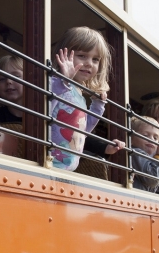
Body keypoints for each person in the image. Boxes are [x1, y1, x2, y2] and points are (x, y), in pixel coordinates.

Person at [47, 27, 121, 171]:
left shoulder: (79, 94)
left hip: (67, 168)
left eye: (95, 59)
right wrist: (63, 81)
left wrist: (98, 105)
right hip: (50, 163)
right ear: (63, 54)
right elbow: (44, 111)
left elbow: (82, 131)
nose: (89, 63)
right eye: (82, 56)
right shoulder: (55, 82)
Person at [129, 116, 159, 192]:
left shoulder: (149, 158)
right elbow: (153, 181)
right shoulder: (135, 152)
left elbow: (156, 187)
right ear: (131, 139)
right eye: (145, 135)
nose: (151, 139)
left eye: (155, 138)